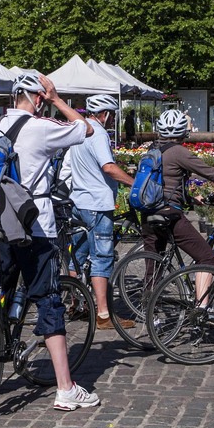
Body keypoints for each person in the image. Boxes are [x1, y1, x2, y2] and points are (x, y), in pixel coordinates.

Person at [0, 73, 100, 411]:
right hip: (36, 224)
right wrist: (57, 99)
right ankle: (65, 387)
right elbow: (86, 128)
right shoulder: (41, 127)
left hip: (2, 220)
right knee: (48, 300)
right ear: (36, 97)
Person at [141, 109, 214, 301]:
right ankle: (201, 309)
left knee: (154, 265)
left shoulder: (152, 150)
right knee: (207, 258)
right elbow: (211, 173)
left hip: (148, 213)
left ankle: (148, 308)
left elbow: (162, 184)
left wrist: (190, 199)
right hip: (169, 215)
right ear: (183, 131)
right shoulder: (179, 152)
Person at [67, 95, 135, 331]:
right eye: (112, 115)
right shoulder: (97, 133)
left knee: (78, 255)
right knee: (102, 258)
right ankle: (104, 314)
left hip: (79, 201)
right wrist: (134, 183)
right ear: (105, 114)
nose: (113, 119)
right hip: (97, 204)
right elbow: (109, 167)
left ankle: (76, 304)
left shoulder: (79, 131)